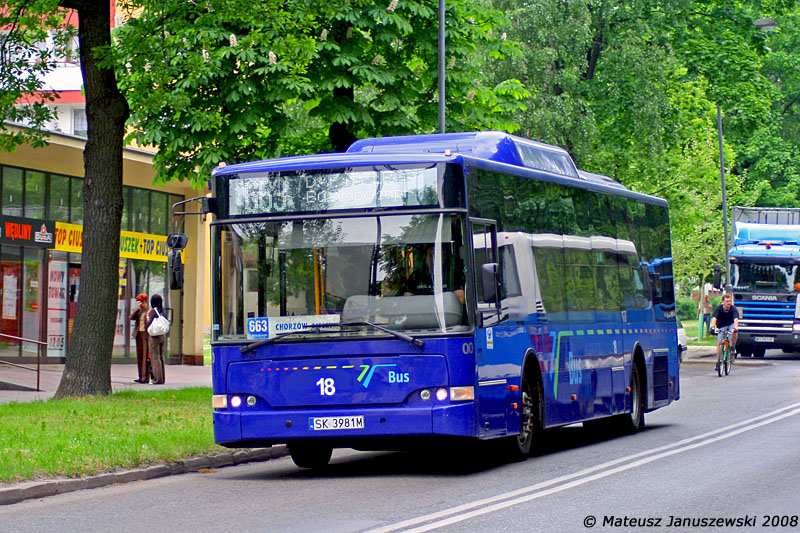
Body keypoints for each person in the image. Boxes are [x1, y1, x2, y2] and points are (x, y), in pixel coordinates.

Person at [710, 293, 739, 369]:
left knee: (733, 332)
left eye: (730, 301)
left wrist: (735, 328)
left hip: (730, 324)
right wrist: (713, 327)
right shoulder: (718, 309)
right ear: (723, 302)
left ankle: (732, 346)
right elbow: (714, 318)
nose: (729, 303)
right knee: (719, 342)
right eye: (727, 301)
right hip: (722, 326)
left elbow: (736, 320)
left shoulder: (733, 309)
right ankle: (718, 361)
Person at [146, 294, 168, 384]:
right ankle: (162, 378)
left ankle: (157, 379)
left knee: (155, 358)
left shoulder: (153, 311)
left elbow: (149, 323)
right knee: (161, 357)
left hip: (154, 337)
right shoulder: (163, 311)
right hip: (162, 335)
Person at [129, 293, 151, 383]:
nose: (141, 304)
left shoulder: (149, 311)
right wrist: (137, 308)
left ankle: (145, 377)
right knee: (140, 355)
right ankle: (140, 375)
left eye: (142, 302)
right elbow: (131, 317)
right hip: (139, 334)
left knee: (145, 356)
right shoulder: (139, 311)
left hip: (146, 335)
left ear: (145, 301)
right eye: (139, 302)